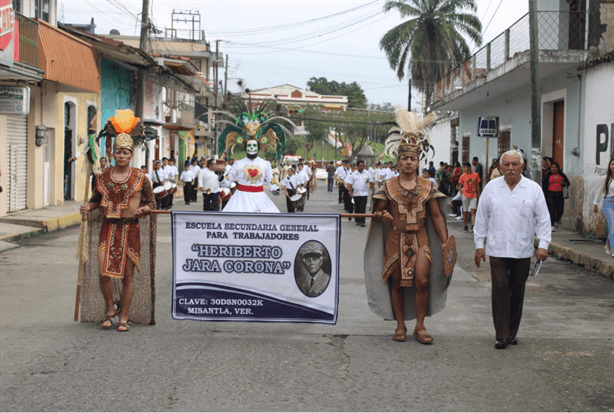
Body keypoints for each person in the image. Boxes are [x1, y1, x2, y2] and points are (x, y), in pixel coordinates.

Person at [365, 109, 449, 345]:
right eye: (404, 158)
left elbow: (436, 216)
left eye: (413, 158)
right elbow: (378, 212)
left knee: (422, 281)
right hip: (395, 239)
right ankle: (400, 325)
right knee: (397, 283)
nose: (408, 162)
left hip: (420, 239)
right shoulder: (388, 185)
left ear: (418, 161)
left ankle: (420, 326)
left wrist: (444, 241)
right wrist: (381, 215)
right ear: (398, 160)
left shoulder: (427, 186)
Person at [79, 133, 157, 332]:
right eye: (118, 152)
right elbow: (96, 199)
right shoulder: (101, 176)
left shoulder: (141, 177)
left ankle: (124, 316)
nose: (121, 155)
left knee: (127, 276)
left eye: (126, 152)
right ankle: (110, 310)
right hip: (108, 228)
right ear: (113, 154)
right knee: (103, 271)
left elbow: (151, 203)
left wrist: (144, 209)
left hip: (130, 229)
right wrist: (89, 207)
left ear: (131, 155)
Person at [474, 149, 551, 349]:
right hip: (497, 249)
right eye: (506, 165)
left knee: (517, 292)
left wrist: (543, 245)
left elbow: (543, 219)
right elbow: (481, 218)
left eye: (514, 164)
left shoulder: (533, 189)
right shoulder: (491, 188)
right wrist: (479, 245)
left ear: (522, 166)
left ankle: (512, 332)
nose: (510, 168)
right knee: (499, 290)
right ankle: (501, 334)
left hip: (523, 250)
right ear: (500, 167)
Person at [223, 139, 281, 213]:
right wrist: (221, 177)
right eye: (249, 146)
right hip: (240, 198)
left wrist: (275, 188)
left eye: (254, 146)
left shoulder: (265, 164)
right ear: (245, 148)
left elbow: (271, 179)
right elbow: (226, 182)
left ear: (258, 148)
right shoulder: (238, 164)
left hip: (260, 197)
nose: (251, 148)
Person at [593, 158, 614, 257]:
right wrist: (595, 203)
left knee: (613, 227)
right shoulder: (605, 178)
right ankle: (613, 249)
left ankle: (608, 245)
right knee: (613, 225)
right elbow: (599, 191)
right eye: (612, 164)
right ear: (609, 166)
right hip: (608, 202)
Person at [542, 162, 570, 231]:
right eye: (552, 167)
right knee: (552, 210)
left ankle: (556, 220)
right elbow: (544, 186)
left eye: (555, 167)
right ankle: (551, 225)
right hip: (550, 195)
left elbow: (568, 183)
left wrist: (563, 183)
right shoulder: (548, 176)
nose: (554, 169)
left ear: (558, 168)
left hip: (559, 194)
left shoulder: (562, 175)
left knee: (560, 210)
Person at [345, 160, 374, 227]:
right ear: (357, 166)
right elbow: (350, 184)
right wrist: (351, 192)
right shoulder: (353, 174)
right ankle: (357, 220)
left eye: (362, 166)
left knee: (362, 207)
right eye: (360, 166)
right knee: (357, 207)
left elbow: (371, 182)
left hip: (364, 193)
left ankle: (362, 221)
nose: (361, 167)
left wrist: (373, 191)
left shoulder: (367, 173)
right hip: (356, 193)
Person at [458, 162, 481, 233]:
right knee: (465, 211)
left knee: (473, 211)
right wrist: (462, 194)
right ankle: (465, 226)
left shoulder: (475, 175)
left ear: (469, 167)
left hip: (473, 195)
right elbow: (460, 186)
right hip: (465, 195)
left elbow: (477, 185)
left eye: (465, 167)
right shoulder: (462, 176)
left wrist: (479, 195)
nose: (464, 169)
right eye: (463, 167)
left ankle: (473, 225)